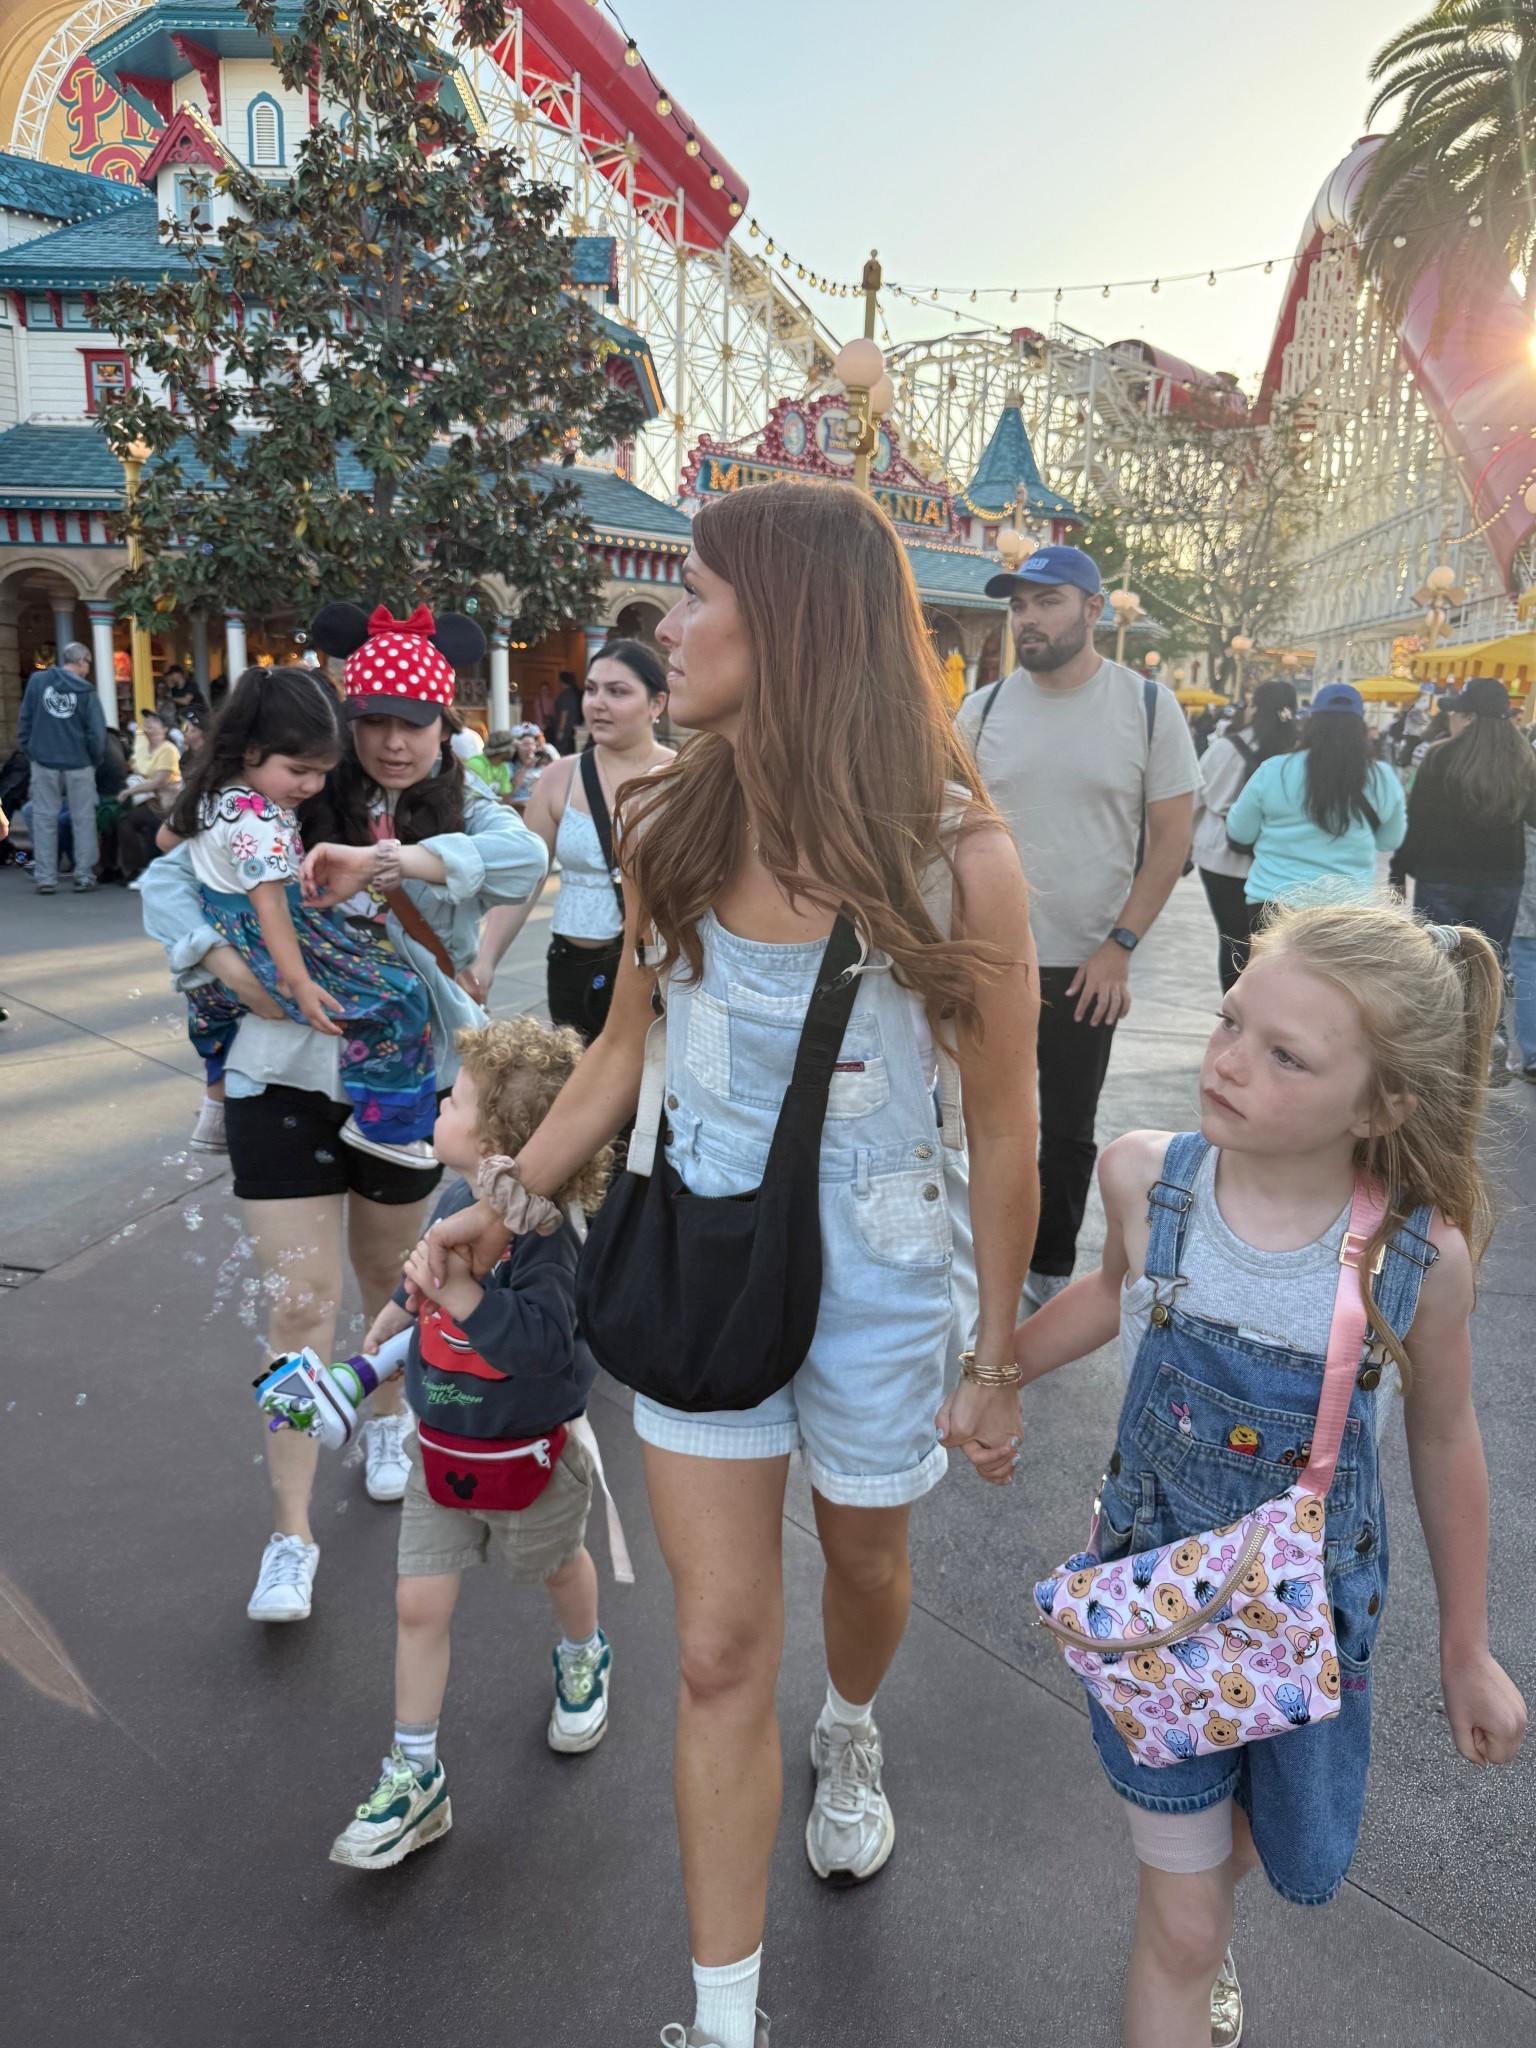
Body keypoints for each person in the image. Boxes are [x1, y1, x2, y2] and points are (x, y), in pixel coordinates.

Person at [421, 479, 1039, 2048]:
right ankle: (725, 2017)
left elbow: (1008, 1116)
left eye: (694, 596)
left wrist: (995, 1358)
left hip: (885, 1275)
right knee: (707, 1649)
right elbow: (627, 1047)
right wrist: (505, 1190)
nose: (664, 628)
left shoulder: (959, 858)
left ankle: (849, 1726)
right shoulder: (670, 818)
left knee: (867, 1568)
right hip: (698, 1254)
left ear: (798, 622)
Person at [1011, 901, 1527, 2048]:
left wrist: (1465, 1643)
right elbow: (1105, 1293)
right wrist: (997, 1371)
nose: (1229, 1059)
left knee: (1245, 1846)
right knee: (1184, 1923)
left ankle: (1199, 1910)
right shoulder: (1151, 1175)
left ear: (1384, 1100)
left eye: (1284, 1054)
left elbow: (1447, 1437)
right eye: (1233, 1020)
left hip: (1305, 1622)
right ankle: (1192, 1939)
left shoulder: (1417, 1254)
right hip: (1157, 1604)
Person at [139, 600, 548, 1614]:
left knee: (387, 1275)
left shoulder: (458, 810)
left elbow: (525, 863)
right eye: (373, 717)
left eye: (415, 719)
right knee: (296, 1301)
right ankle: (289, 1531)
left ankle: (386, 1418)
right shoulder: (282, 797)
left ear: (446, 724)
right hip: (276, 1077)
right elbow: (165, 875)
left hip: (401, 1083)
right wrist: (223, 960)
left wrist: (395, 861)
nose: (393, 739)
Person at [329, 1017, 616, 1870]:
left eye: (453, 1098)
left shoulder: (550, 1238)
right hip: (442, 1453)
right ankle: (415, 1771)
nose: (437, 1101)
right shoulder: (456, 1201)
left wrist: (459, 1294)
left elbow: (537, 1346)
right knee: (419, 1605)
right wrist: (364, 1362)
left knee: (561, 1565)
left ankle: (583, 1654)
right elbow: (405, 1296)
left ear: (494, 1140)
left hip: (532, 1459)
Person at [956, 544, 1198, 1313]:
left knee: (1064, 1126)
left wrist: (1120, 946)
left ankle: (1049, 1261)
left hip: (1085, 962)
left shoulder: (1148, 707)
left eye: (1048, 601)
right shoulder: (983, 708)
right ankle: (970, 1257)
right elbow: (946, 826)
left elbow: (1170, 841)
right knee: (973, 1118)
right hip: (985, 955)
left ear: (1094, 610)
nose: (1029, 619)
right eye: (1019, 605)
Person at [163, 664, 439, 1172]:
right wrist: (298, 983)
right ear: (251, 752)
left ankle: (216, 1108)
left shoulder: (211, 794)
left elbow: (166, 844)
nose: (312, 785)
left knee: (217, 1012)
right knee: (401, 993)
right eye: (298, 770)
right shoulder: (260, 820)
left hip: (223, 934)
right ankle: (386, 1124)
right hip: (274, 940)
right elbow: (270, 909)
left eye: (322, 773)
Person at [482, 640, 674, 1039]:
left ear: (657, 703)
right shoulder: (560, 776)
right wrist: (486, 960)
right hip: (572, 964)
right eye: (591, 689)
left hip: (654, 970)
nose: (598, 702)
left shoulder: (682, 779)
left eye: (617, 691)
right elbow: (527, 875)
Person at [1224, 682, 1405, 920]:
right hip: (1348, 909)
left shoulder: (1275, 770)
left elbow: (1240, 832)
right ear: (1360, 726)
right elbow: (1389, 841)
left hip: (1274, 901)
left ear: (1312, 723)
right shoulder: (1382, 776)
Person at [1400, 676, 1536, 959]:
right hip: (1502, 878)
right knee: (1486, 968)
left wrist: (1401, 867)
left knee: (1437, 968)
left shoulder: (1440, 755)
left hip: (1440, 875)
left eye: (1455, 712)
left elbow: (1417, 819)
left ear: (1469, 717)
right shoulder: (1524, 759)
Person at [1192, 679, 1298, 992]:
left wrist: (1185, 848)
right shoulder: (1298, 754)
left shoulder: (1226, 747)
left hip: (1220, 859)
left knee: (1232, 939)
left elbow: (1195, 799)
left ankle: (1235, 1009)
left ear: (1254, 707)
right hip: (1277, 862)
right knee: (1274, 946)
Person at [17, 641, 104, 895]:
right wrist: (93, 759)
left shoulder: (37, 682)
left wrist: (30, 750)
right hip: (79, 763)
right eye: (87, 663)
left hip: (44, 761)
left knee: (44, 819)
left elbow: (25, 718)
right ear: (81, 661)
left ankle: (46, 877)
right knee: (83, 820)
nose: (88, 669)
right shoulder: (87, 691)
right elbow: (96, 733)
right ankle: (84, 874)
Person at [116, 708, 182, 880]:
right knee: (123, 820)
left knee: (143, 820)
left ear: (165, 729)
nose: (148, 722)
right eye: (147, 719)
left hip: (164, 799)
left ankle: (151, 867)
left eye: (155, 720)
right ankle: (135, 868)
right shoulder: (142, 747)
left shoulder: (169, 749)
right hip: (144, 798)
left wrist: (130, 791)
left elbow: (160, 781)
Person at [544, 667, 583, 755]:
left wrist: (560, 730)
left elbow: (564, 714)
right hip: (572, 729)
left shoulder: (565, 695)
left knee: (560, 752)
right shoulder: (574, 693)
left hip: (565, 730)